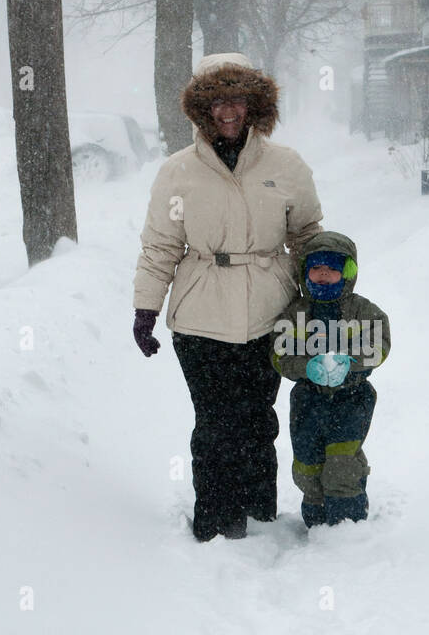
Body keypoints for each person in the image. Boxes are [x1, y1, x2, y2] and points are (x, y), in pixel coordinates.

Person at [132, 53, 323, 541]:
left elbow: (306, 236)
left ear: (254, 105)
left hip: (270, 313)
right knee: (215, 424)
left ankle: (259, 515)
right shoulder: (178, 172)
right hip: (200, 318)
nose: (228, 112)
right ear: (202, 110)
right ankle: (216, 524)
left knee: (259, 420)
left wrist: (322, 299)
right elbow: (160, 245)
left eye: (237, 99)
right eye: (217, 102)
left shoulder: (287, 166)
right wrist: (146, 308)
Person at [270, 230, 391, 526]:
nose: (323, 275)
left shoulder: (364, 311)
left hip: (352, 397)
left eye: (332, 270)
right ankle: (316, 516)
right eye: (316, 268)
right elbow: (280, 354)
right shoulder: (296, 312)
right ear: (305, 272)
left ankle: (346, 524)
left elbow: (379, 345)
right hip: (307, 399)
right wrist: (306, 367)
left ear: (347, 273)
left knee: (342, 460)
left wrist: (349, 363)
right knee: (306, 465)